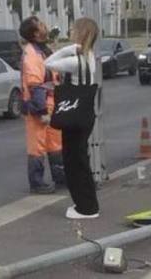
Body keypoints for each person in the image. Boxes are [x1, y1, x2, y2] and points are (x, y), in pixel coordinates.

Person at [45, 18, 100, 220]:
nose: (70, 30)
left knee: (74, 161)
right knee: (79, 159)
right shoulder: (90, 57)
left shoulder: (76, 61)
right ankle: (87, 203)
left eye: (73, 28)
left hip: (73, 116)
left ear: (81, 33)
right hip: (84, 115)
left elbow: (48, 63)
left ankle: (86, 208)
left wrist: (68, 49)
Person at [19, 16, 65, 194]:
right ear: (36, 33)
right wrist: (42, 110)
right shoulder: (31, 53)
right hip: (40, 107)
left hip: (50, 103)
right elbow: (35, 84)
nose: (45, 26)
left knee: (55, 144)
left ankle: (60, 178)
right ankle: (37, 184)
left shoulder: (42, 50)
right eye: (41, 25)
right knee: (37, 147)